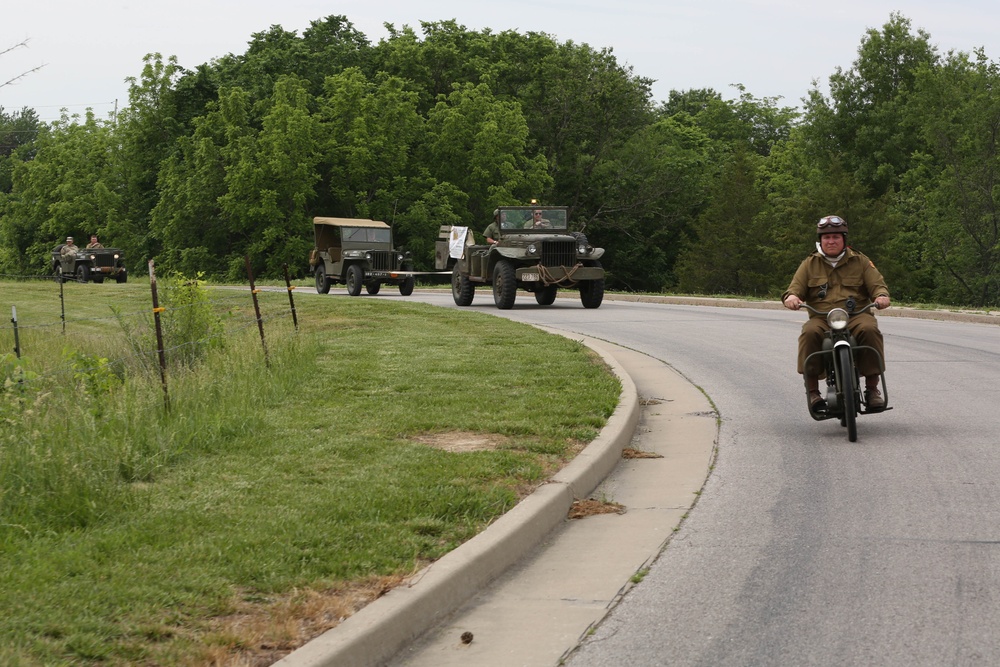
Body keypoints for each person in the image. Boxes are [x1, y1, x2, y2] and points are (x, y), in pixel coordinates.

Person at [782, 215, 891, 412]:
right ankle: (813, 392)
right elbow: (794, 288)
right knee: (809, 333)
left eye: (835, 237)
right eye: (826, 238)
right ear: (820, 240)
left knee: (869, 329)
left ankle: (872, 389)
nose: (831, 241)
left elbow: (877, 285)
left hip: (856, 315)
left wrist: (881, 296)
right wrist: (791, 298)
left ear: (844, 240)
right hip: (822, 317)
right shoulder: (809, 263)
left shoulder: (861, 261)